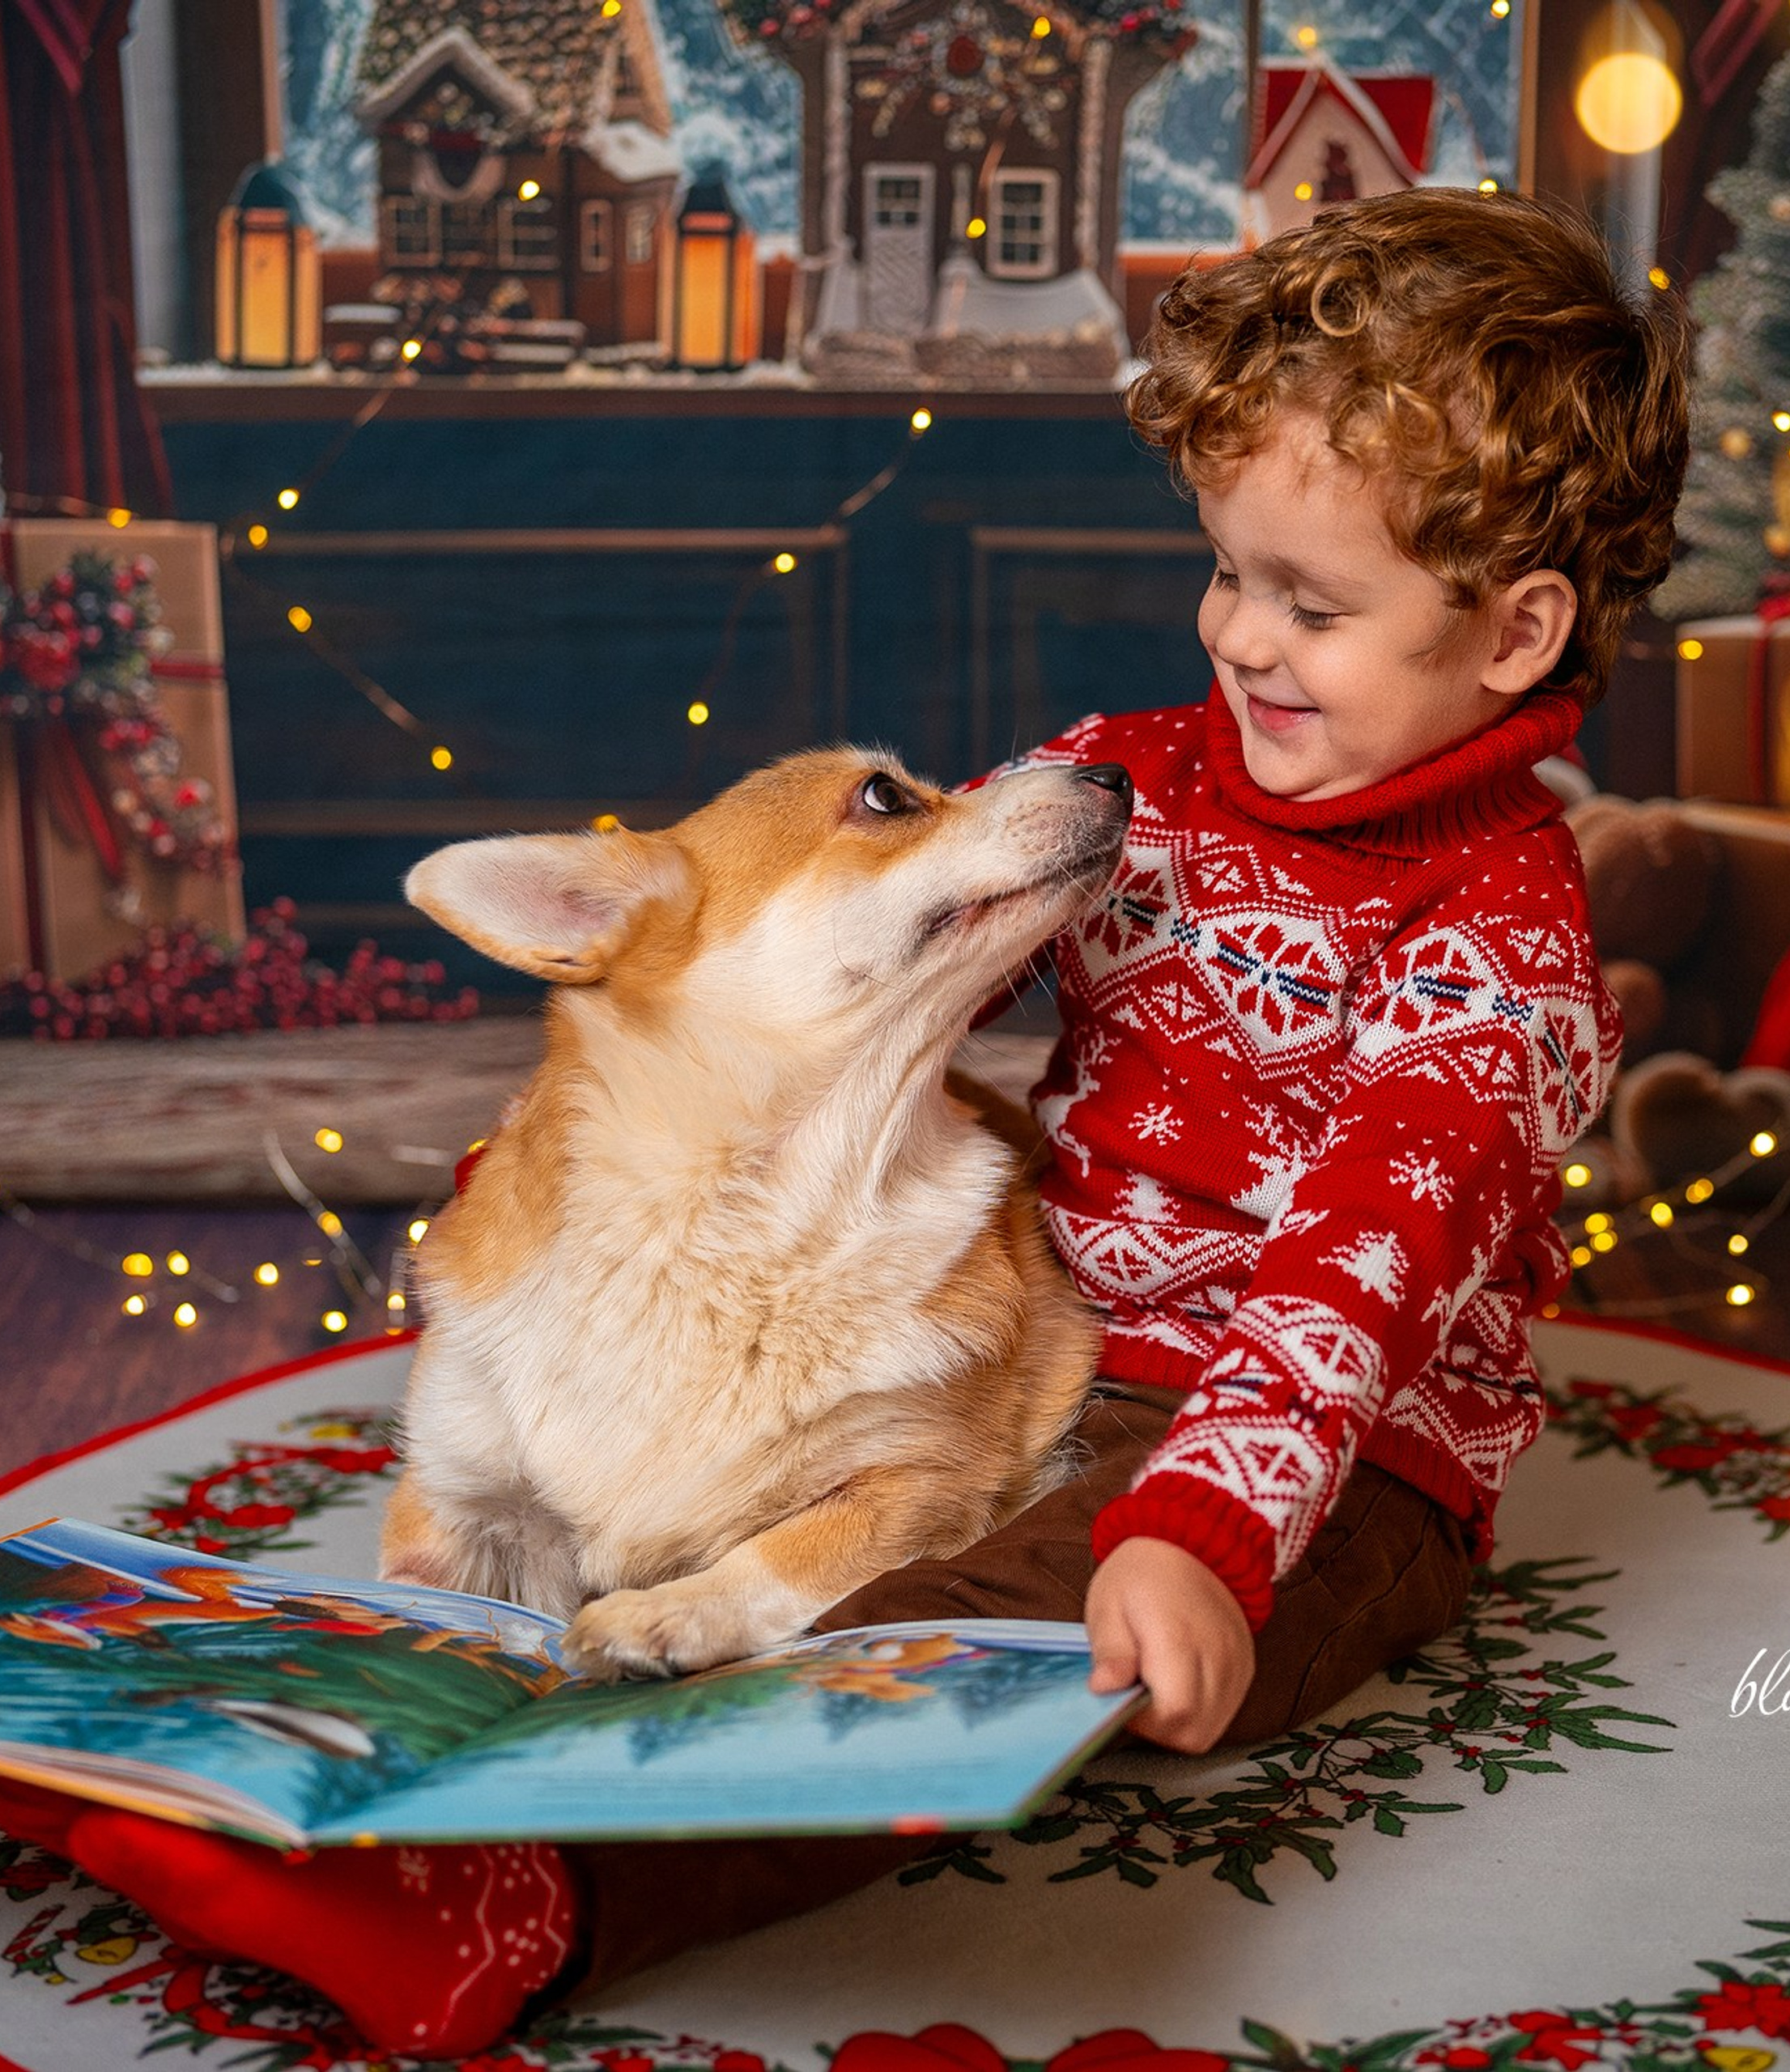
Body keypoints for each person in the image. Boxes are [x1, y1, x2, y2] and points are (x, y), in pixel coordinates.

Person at [0, 188, 1690, 2056]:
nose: (1243, 639)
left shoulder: (1499, 949)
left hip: (1332, 1444)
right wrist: (591, 1161)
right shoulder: (1143, 775)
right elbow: (838, 966)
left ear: (1516, 629)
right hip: (1060, 1343)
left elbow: (1355, 1275)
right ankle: (243, 1746)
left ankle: (527, 1901)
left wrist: (1207, 1529)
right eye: (1225, 572)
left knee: (965, 1636)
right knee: (690, 1506)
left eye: (1315, 603)